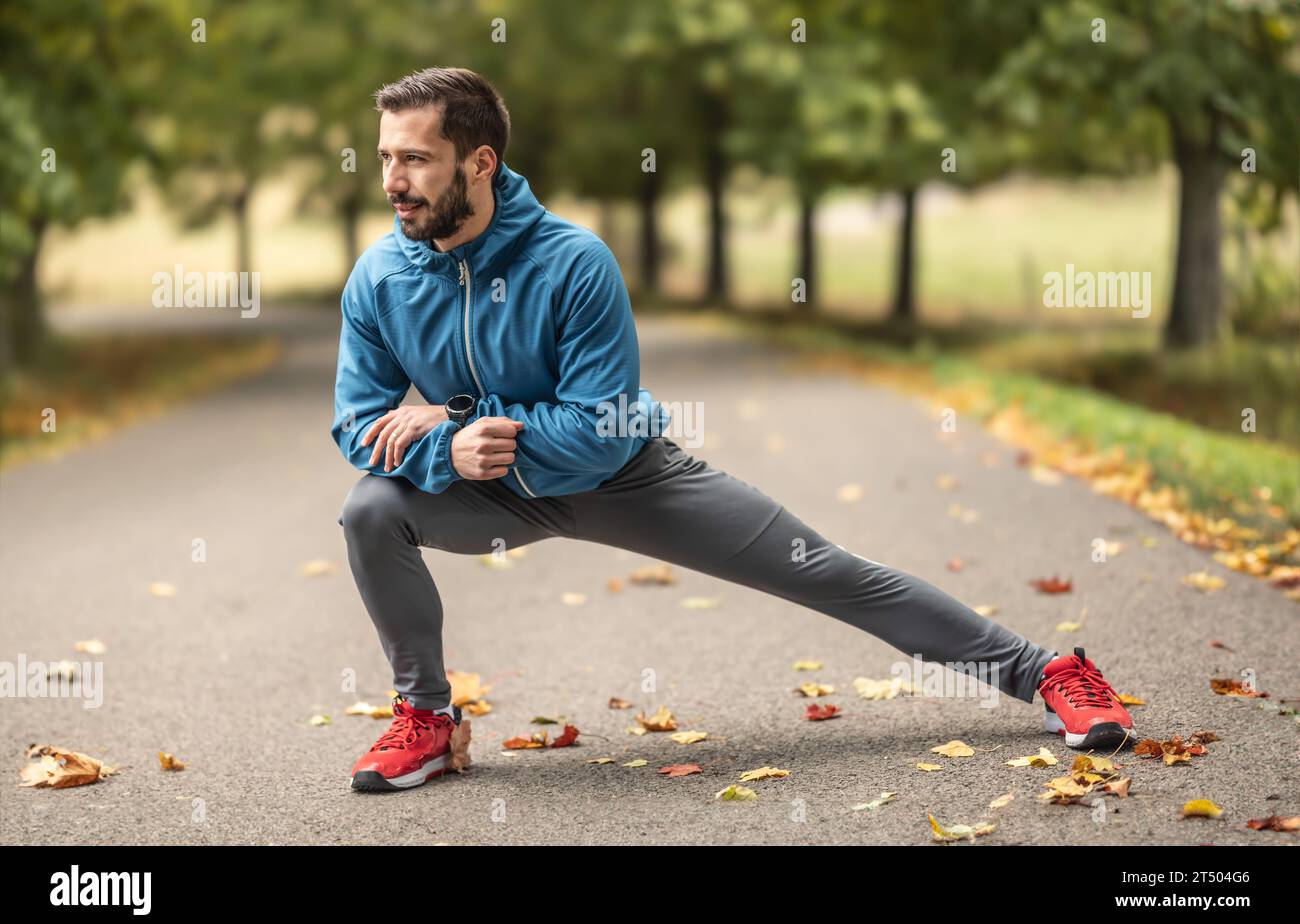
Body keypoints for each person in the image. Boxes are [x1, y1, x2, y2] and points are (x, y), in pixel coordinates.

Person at [332, 66, 1135, 792]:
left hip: (626, 478)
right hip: (490, 493)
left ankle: (1049, 672)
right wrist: (448, 447)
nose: (394, 182)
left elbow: (601, 430)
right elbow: (358, 422)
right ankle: (429, 720)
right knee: (372, 510)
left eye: (416, 160)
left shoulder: (573, 262)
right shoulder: (379, 278)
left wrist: (465, 417)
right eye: (385, 159)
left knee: (823, 568)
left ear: (480, 163)